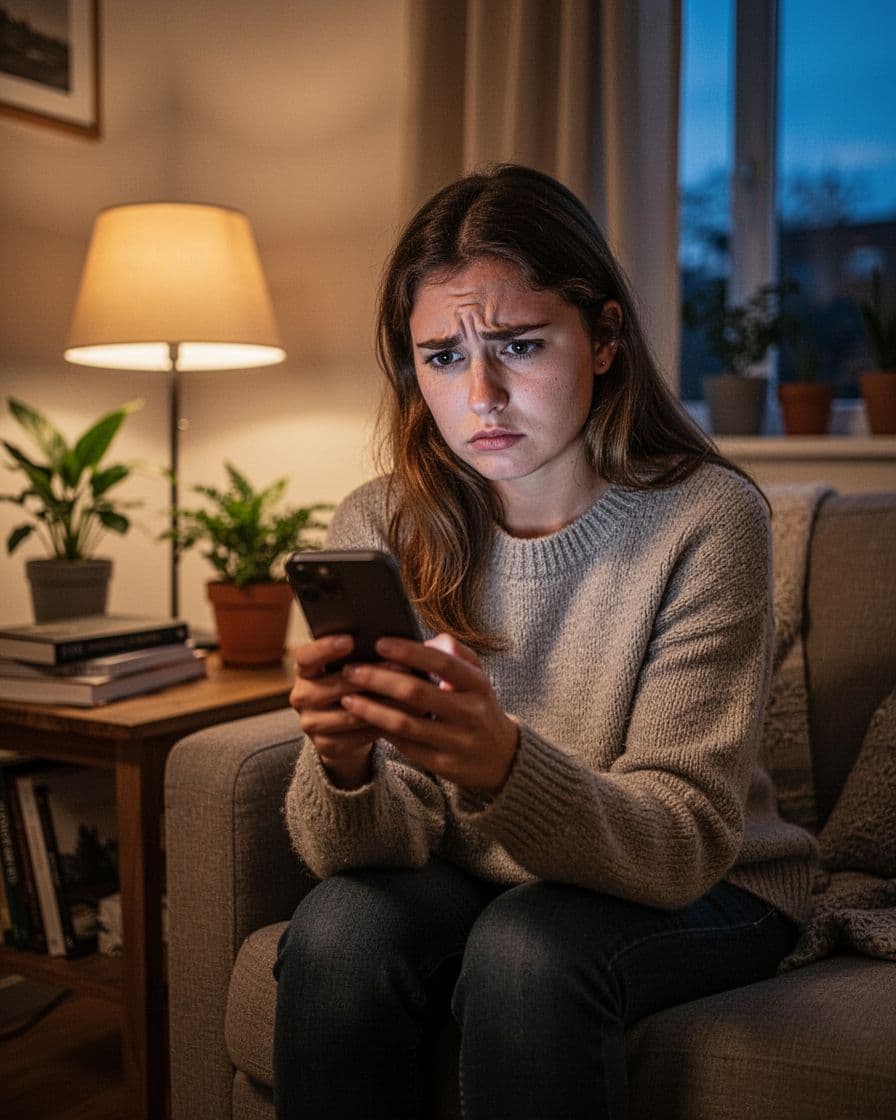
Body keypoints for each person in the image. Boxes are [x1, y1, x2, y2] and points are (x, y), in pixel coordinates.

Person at [272, 164, 817, 1120]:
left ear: (604, 338)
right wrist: (346, 765)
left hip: (710, 880)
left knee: (529, 945)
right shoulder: (380, 524)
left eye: (519, 346)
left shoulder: (707, 518)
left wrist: (502, 768)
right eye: (442, 356)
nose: (481, 394)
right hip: (485, 872)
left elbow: (683, 841)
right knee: (339, 929)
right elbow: (358, 851)